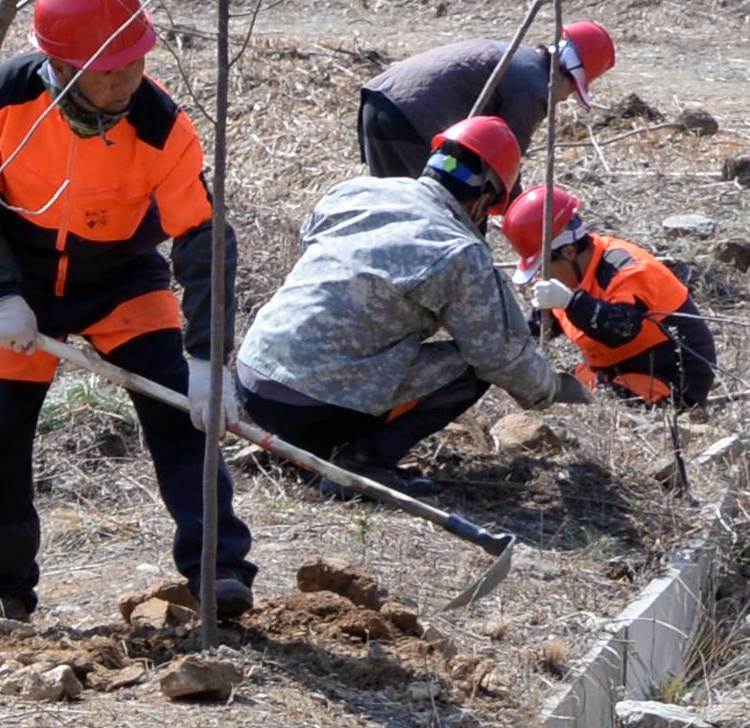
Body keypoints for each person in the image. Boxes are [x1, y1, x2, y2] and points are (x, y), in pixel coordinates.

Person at [0, 0, 249, 625]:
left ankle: (218, 568)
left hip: (121, 279)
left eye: (134, 63)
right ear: (61, 64)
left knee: (179, 416)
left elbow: (202, 239)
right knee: (5, 437)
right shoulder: (2, 99)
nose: (124, 81)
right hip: (21, 287)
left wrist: (206, 359)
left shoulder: (163, 127)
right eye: (105, 71)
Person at [232, 116, 590, 474]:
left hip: (251, 379)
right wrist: (549, 387)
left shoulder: (354, 192)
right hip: (311, 410)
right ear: (483, 202)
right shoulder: (459, 251)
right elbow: (500, 355)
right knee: (477, 362)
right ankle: (362, 465)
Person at [503, 186, 720, 409]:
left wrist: (570, 302)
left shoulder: (626, 269)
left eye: (543, 267)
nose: (541, 276)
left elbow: (622, 328)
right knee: (558, 397)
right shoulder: (565, 281)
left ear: (568, 252)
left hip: (672, 377)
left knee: (602, 409)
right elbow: (539, 329)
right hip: (615, 371)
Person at [354, 19, 614, 181]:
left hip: (379, 101)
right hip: (411, 121)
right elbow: (501, 163)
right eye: (572, 91)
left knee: (389, 212)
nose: (564, 99)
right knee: (437, 216)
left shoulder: (517, 56)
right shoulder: (534, 90)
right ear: (567, 76)